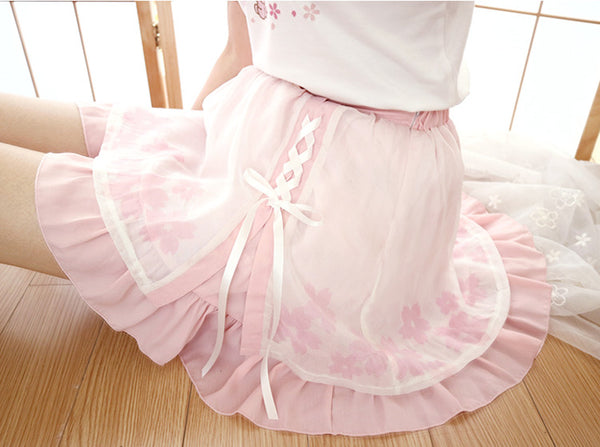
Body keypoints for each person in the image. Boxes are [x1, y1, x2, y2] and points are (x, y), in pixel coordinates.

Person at [1, 0, 595, 436]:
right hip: (258, 125)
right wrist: (184, 162)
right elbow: (240, 52)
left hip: (359, 190)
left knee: (124, 209)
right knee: (145, 144)